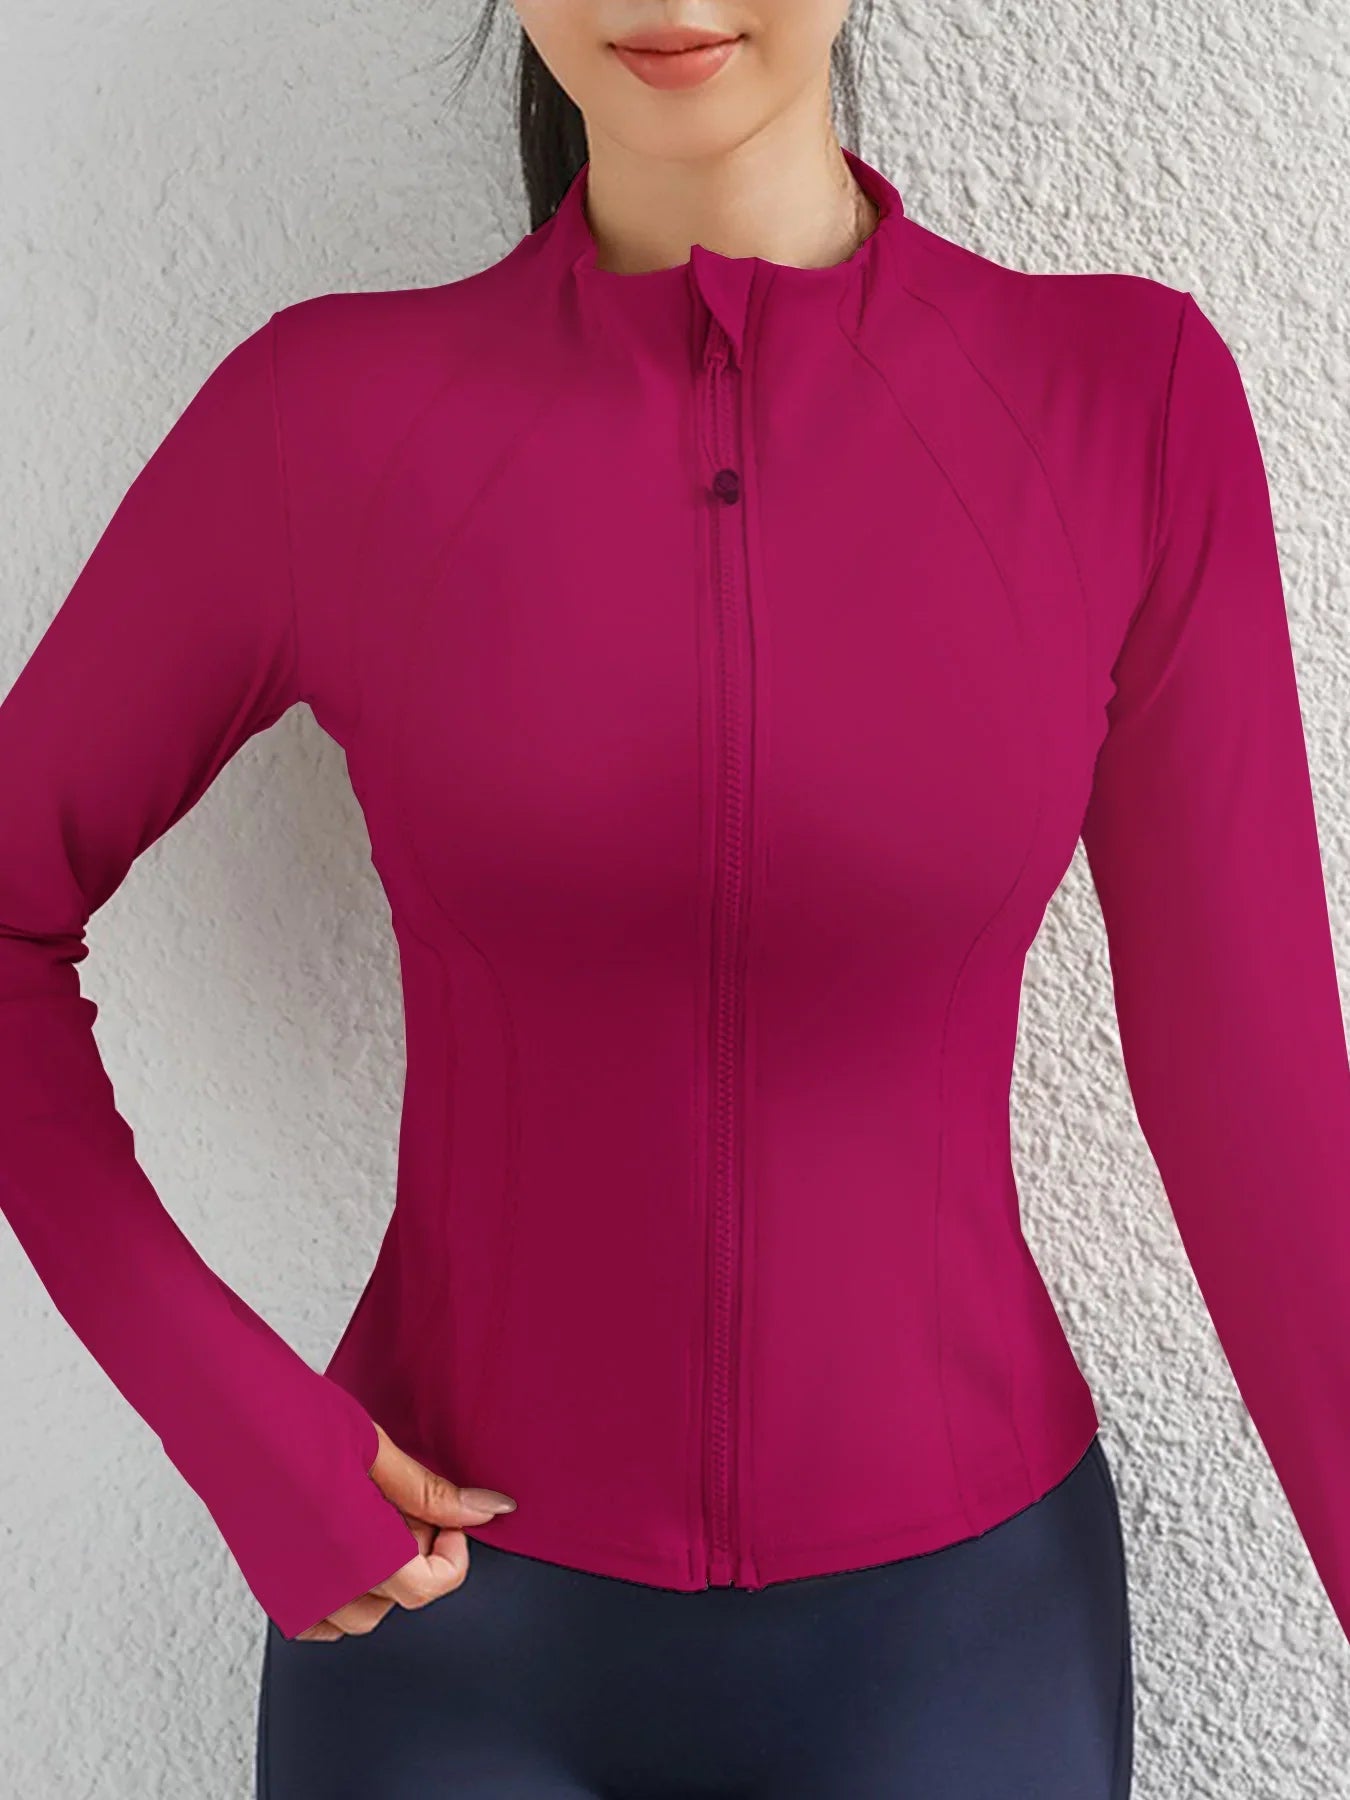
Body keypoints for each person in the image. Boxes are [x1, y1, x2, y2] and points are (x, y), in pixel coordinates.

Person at [4, 0, 1349, 1793]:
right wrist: (229, 1418)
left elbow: (1254, 1090)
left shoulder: (1120, 400)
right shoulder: (328, 415)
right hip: (439, 1641)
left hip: (964, 1647)